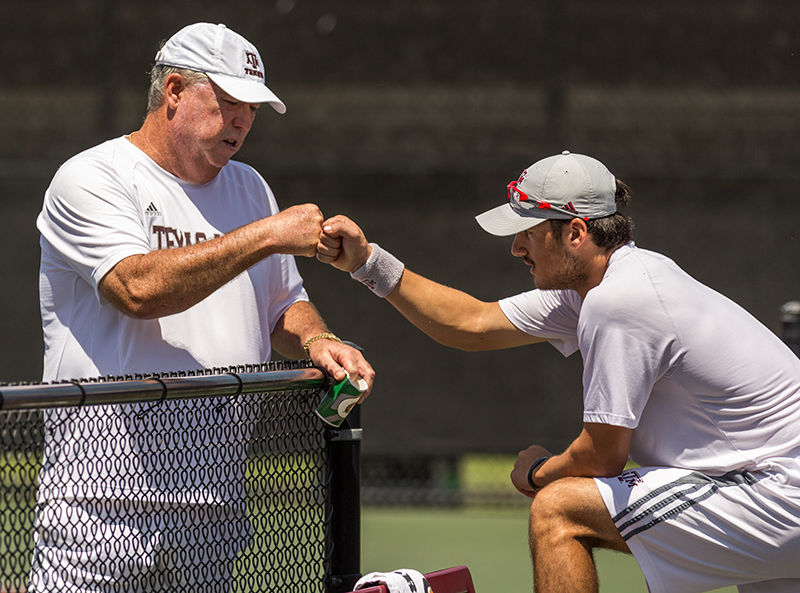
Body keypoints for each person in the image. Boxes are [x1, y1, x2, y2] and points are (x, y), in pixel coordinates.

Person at [316, 150, 800, 593]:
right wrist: (367, 263)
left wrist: (536, 472)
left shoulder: (620, 301)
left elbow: (603, 457)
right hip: (766, 487)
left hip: (777, 492)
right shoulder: (605, 283)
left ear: (574, 233)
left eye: (528, 232)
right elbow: (472, 324)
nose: (516, 248)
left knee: (559, 509)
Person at [33, 22, 373, 593]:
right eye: (230, 101)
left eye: (253, 109)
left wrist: (318, 340)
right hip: (101, 507)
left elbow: (284, 302)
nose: (243, 121)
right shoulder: (92, 177)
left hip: (216, 507)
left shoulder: (249, 188)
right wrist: (265, 234)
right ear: (173, 93)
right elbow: (136, 290)